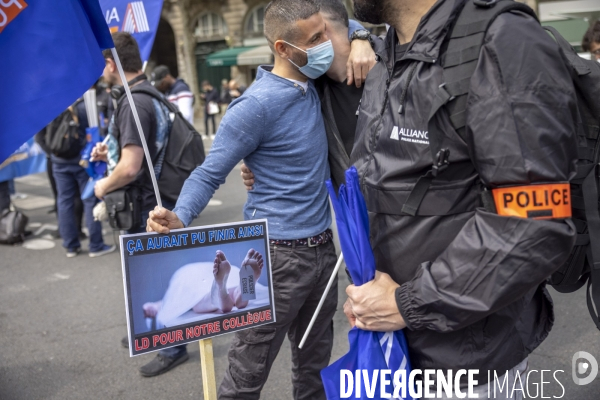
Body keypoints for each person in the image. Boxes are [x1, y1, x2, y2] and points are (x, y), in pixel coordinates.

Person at [343, 0, 579, 398]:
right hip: (392, 349)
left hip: (468, 365)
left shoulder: (502, 40)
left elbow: (534, 222)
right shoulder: (388, 52)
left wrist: (406, 303)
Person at [147, 1, 340, 397]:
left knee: (314, 368)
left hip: (323, 251)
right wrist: (180, 215)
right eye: (316, 38)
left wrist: (358, 40)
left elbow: (352, 25)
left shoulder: (315, 83)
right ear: (283, 49)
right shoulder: (254, 106)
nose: (327, 43)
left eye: (325, 32)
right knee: (246, 373)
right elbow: (209, 170)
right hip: (271, 261)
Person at [91, 32, 185, 377]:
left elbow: (131, 168)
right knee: (149, 276)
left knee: (156, 278)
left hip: (145, 204)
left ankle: (172, 346)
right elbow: (135, 153)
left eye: (100, 63)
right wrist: (110, 150)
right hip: (150, 200)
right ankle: (148, 333)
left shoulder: (134, 102)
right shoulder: (145, 94)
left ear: (111, 64)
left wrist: (103, 184)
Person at [242, 0, 377, 192]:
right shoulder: (312, 85)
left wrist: (361, 37)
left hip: (401, 208)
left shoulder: (384, 62)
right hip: (352, 210)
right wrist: (261, 161)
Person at [48, 101, 114, 258]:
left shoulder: (51, 106)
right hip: (83, 162)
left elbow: (41, 137)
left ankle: (71, 246)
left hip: (58, 161)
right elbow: (96, 133)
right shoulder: (85, 106)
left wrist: (53, 153)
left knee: (64, 201)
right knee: (90, 200)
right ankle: (96, 245)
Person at [142, 249, 265, 328]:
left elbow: (167, 304)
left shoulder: (171, 294)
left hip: (188, 276)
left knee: (197, 298)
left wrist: (151, 307)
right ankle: (238, 292)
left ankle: (219, 292)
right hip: (217, 272)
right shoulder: (165, 300)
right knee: (230, 285)